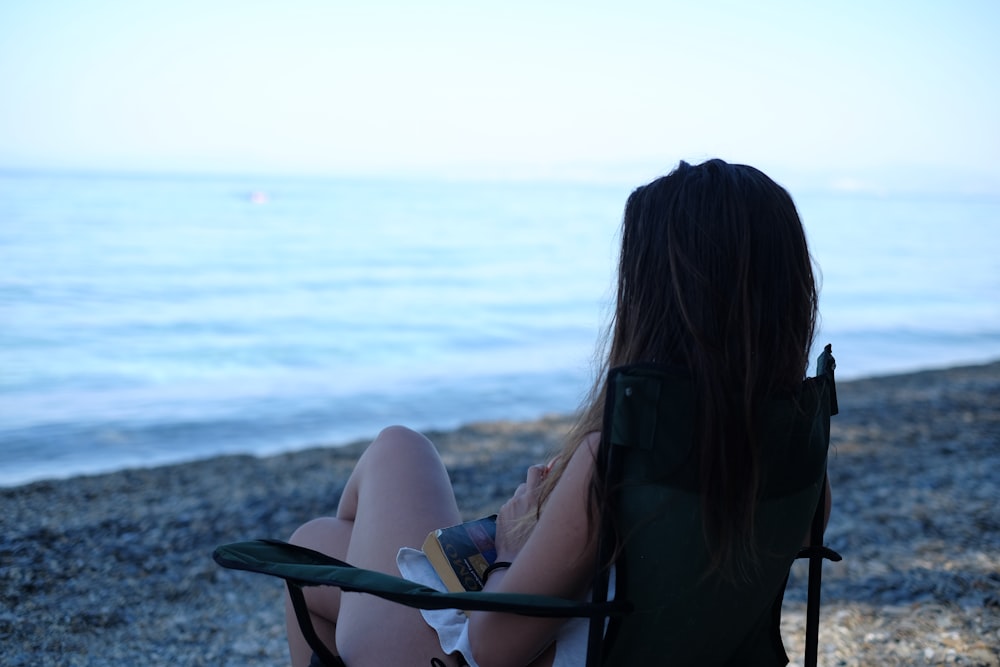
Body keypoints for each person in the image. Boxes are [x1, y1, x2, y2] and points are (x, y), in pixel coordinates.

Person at [284, 158, 831, 667]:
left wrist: (510, 552)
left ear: (650, 299)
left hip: (473, 657)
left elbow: (494, 649)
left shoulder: (619, 458)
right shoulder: (796, 450)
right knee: (318, 541)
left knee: (391, 456)